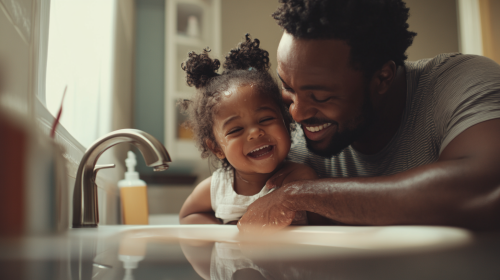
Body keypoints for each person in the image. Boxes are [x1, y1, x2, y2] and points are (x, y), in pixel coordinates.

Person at [237, 0, 500, 232]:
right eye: (288, 88)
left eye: (321, 97)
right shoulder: (283, 136)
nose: (296, 112)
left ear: (383, 78)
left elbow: (484, 189)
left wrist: (298, 195)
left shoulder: (464, 81)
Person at [178, 34, 330, 225]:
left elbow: (324, 232)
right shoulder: (216, 188)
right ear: (216, 148)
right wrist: (224, 235)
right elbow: (187, 217)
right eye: (235, 130)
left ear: (286, 123)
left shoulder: (300, 178)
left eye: (266, 119)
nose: (255, 132)